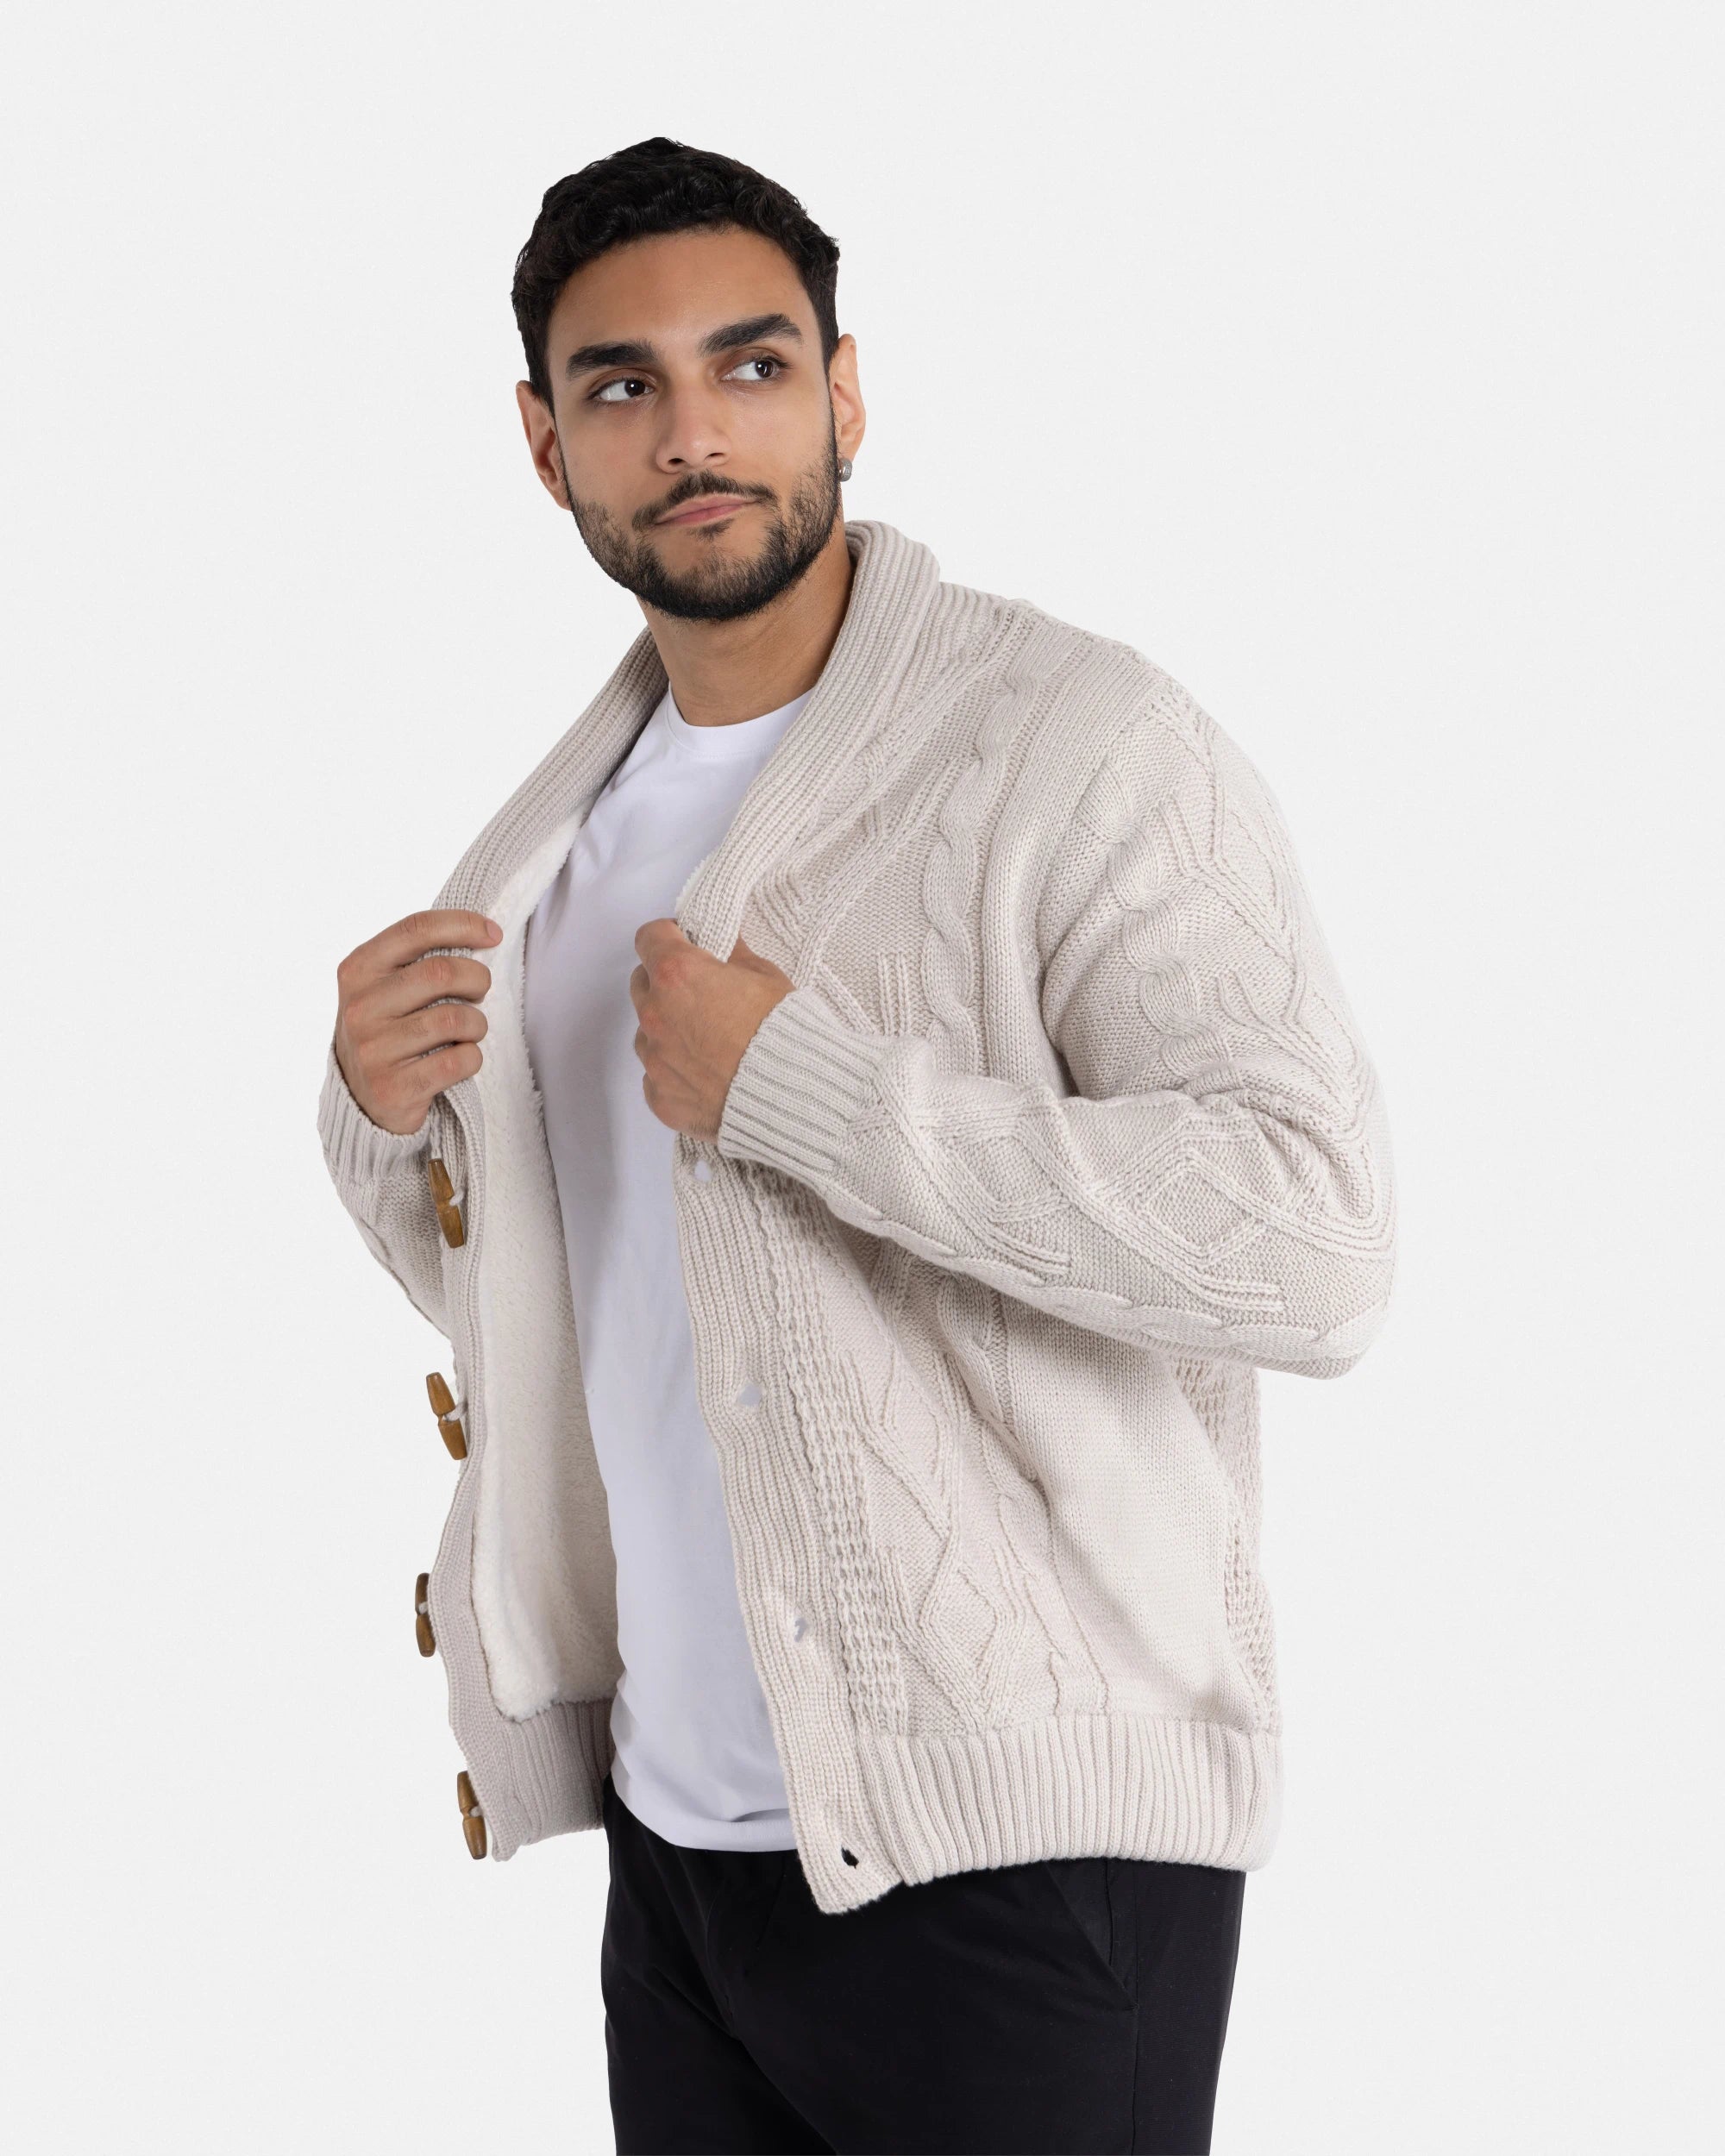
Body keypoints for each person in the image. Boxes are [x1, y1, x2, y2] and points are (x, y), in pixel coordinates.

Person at [317, 135, 1397, 2156]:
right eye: (623, 385)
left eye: (751, 364)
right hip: (686, 1856)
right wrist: (389, 1132)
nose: (693, 431)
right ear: (546, 444)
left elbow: (1311, 1242)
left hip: (1026, 1855)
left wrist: (806, 1088)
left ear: (844, 393)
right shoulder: (553, 842)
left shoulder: (1077, 741)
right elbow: (596, 1299)